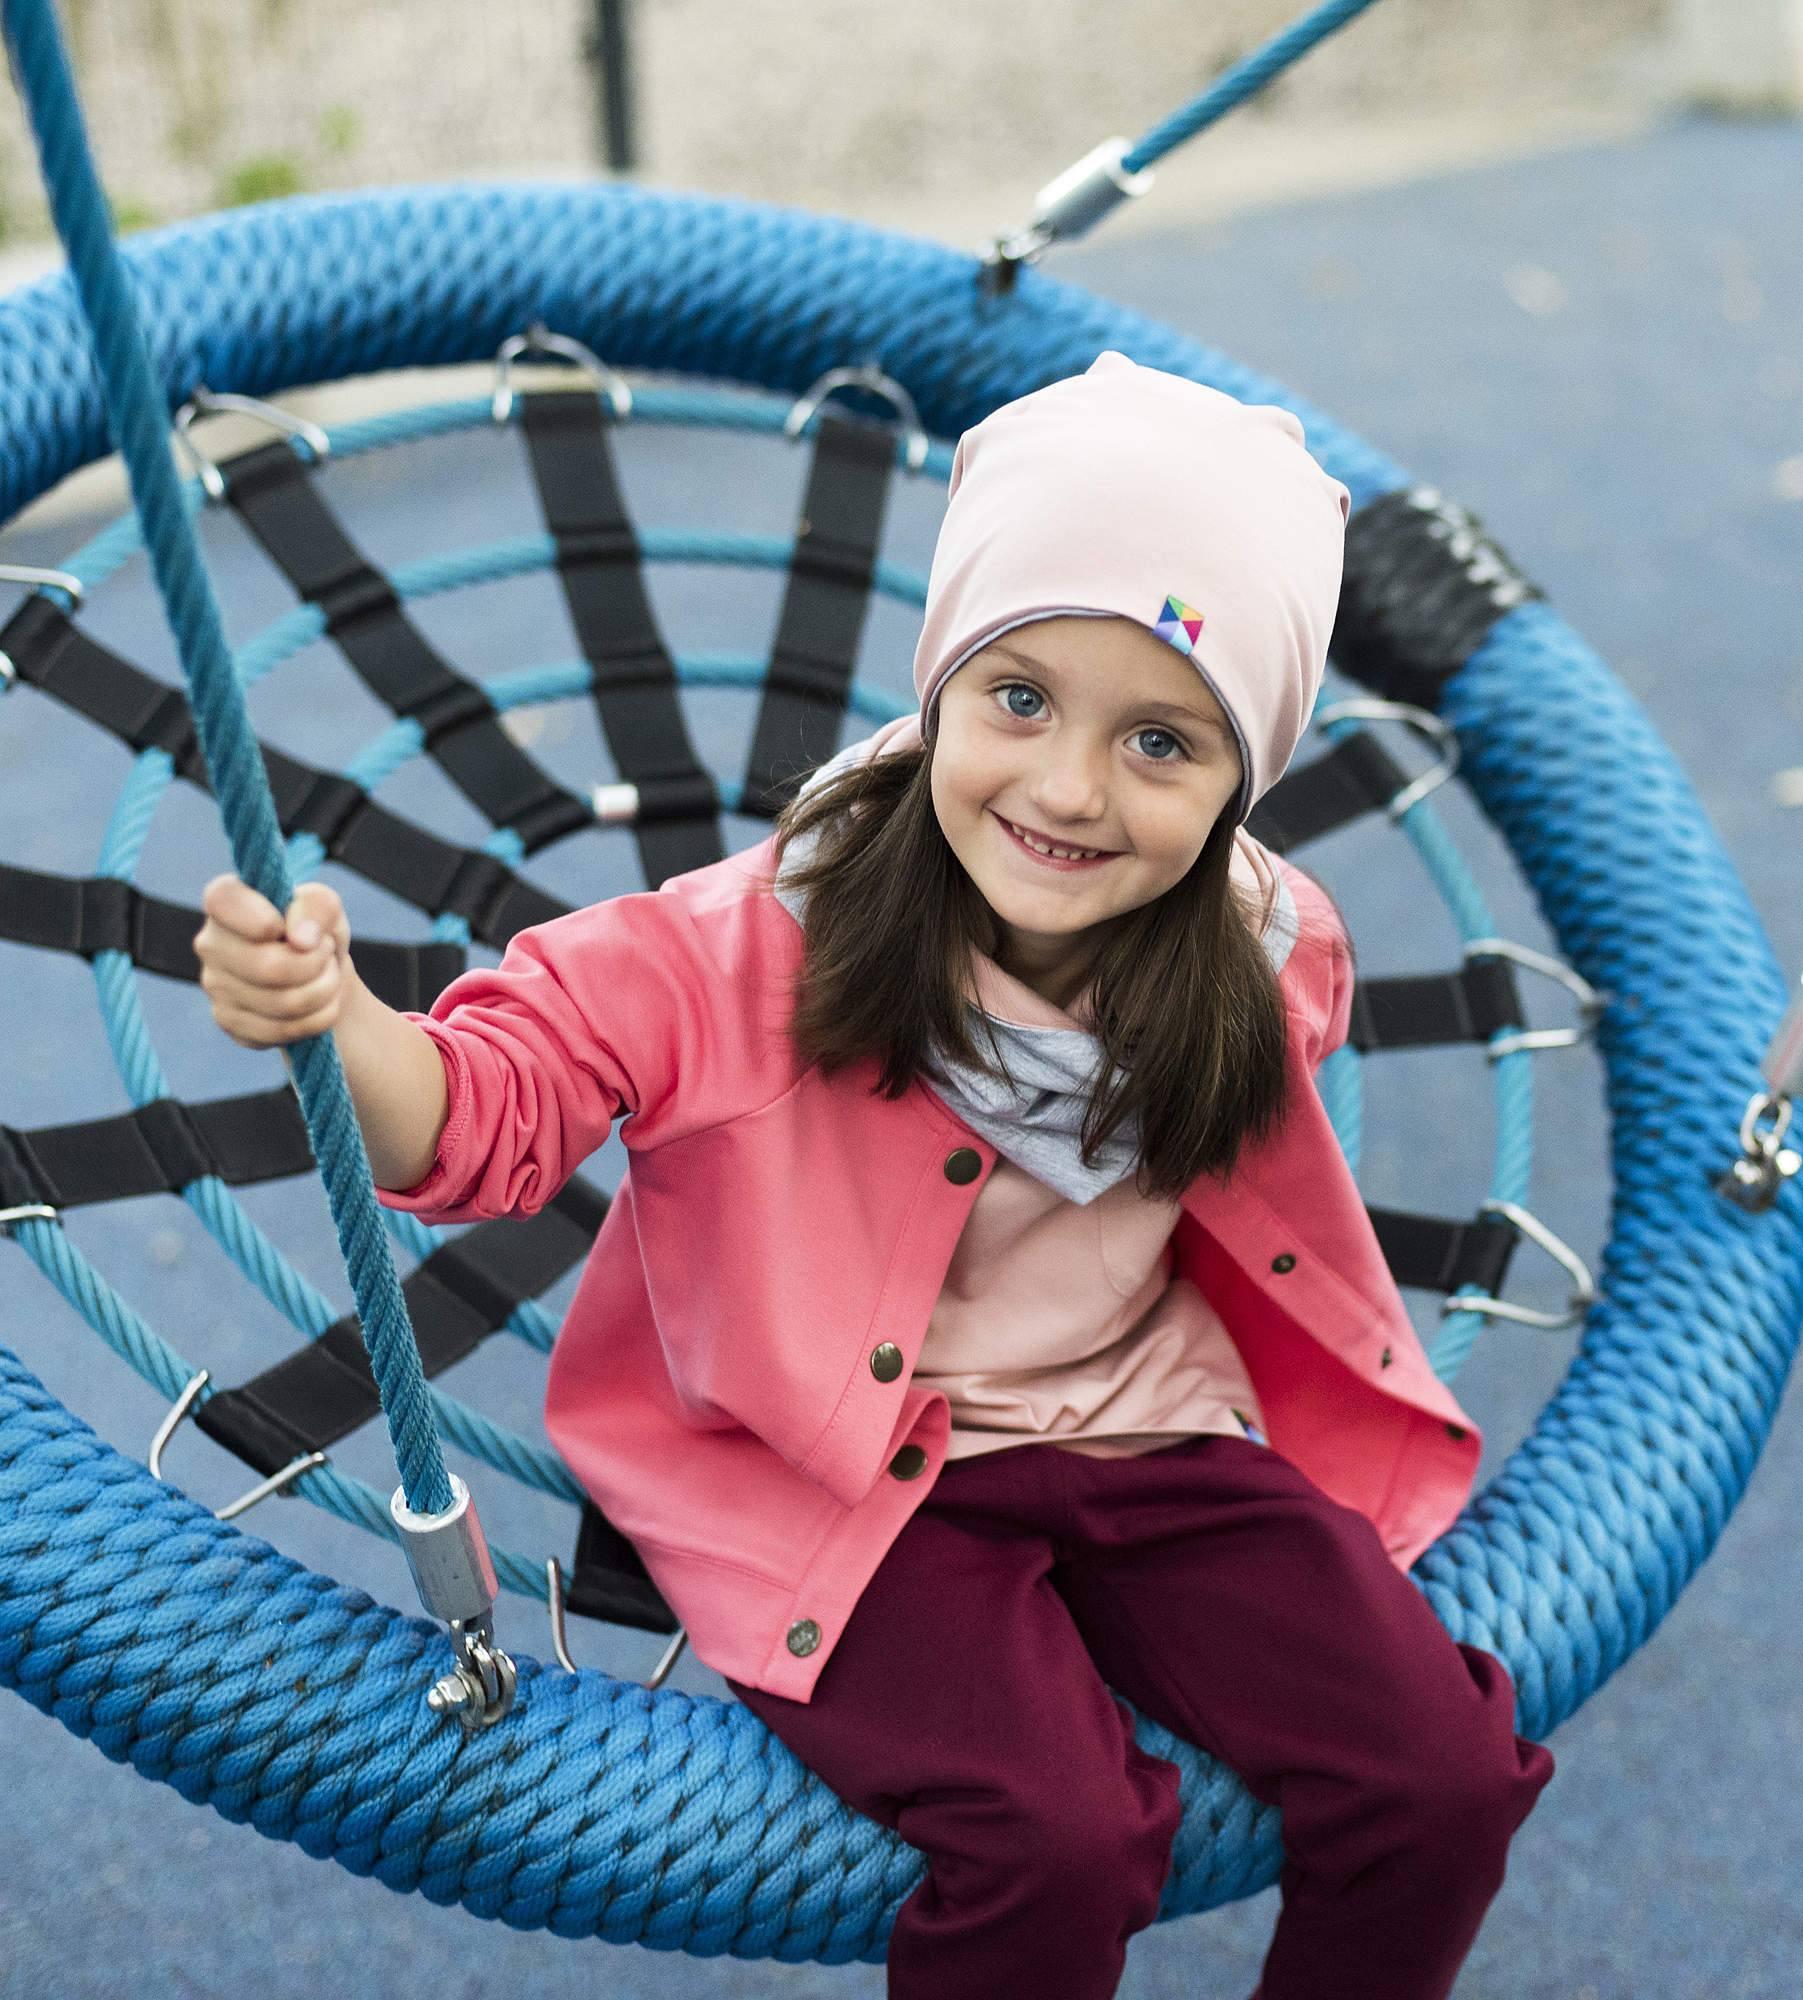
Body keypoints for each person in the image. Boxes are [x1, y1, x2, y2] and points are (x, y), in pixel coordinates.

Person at [193, 351, 1555, 1999]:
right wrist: (339, 1021)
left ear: (1238, 782)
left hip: (1151, 1437)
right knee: (1058, 1836)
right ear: (941, 691)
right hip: (846, 1485)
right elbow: (486, 1112)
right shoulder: (742, 950)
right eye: (1022, 699)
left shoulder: (1267, 960)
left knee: (1446, 1778)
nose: (1069, 789)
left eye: (1163, 744)